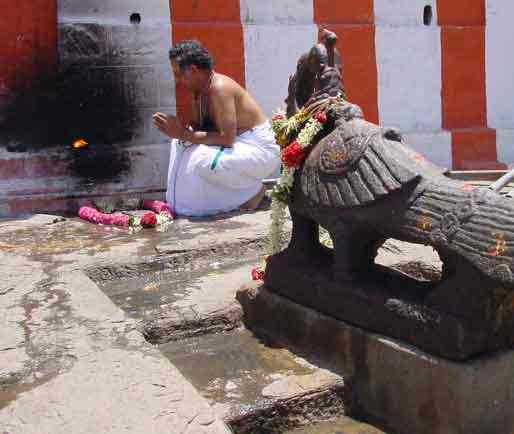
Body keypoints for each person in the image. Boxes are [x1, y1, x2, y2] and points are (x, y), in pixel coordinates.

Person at [153, 40, 280, 216]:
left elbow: (226, 139)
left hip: (258, 149)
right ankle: (185, 204)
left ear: (193, 70)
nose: (177, 80)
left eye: (178, 74)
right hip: (235, 146)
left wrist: (183, 133)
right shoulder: (198, 90)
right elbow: (197, 130)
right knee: (179, 144)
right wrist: (179, 131)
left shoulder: (220, 88)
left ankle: (253, 191)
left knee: (205, 162)